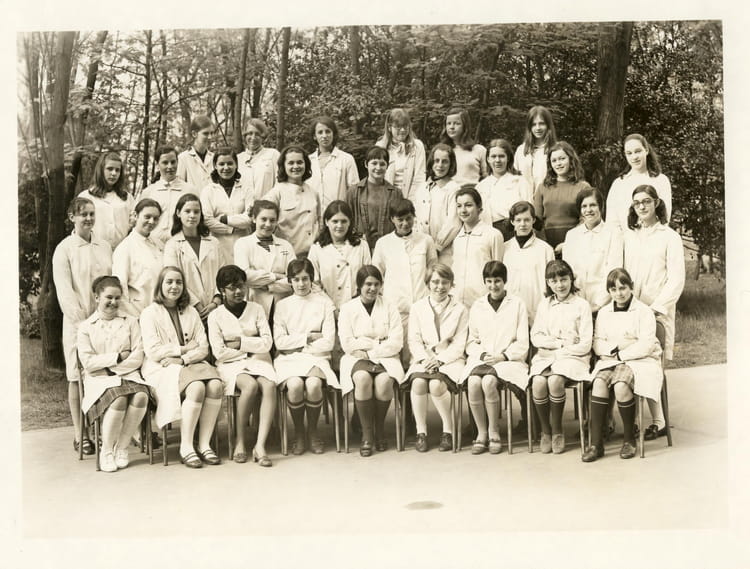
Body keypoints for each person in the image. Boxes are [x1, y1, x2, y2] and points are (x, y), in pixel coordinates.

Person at [140, 266, 223, 468]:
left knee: (215, 385)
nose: (174, 286)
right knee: (197, 387)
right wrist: (184, 349)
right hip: (162, 367)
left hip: (188, 363)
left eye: (179, 282)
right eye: (169, 282)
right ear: (160, 285)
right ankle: (186, 447)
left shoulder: (191, 311)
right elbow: (154, 351)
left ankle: (204, 444)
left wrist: (183, 359)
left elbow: (203, 347)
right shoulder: (149, 313)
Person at [623, 184, 685, 440]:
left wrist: (656, 308)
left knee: (652, 364)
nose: (642, 206)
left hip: (657, 310)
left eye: (646, 201)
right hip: (631, 309)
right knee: (630, 362)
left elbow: (676, 279)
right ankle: (634, 421)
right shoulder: (630, 236)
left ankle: (658, 421)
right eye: (637, 202)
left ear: (656, 203)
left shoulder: (669, 236)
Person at [583, 268, 664, 462]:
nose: (618, 293)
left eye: (622, 288)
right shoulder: (604, 313)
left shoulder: (644, 311)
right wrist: (617, 348)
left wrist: (623, 353)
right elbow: (597, 342)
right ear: (609, 291)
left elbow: (646, 344)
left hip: (639, 361)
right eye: (613, 289)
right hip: (611, 359)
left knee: (620, 385)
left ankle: (629, 440)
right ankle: (596, 444)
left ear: (631, 287)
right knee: (599, 383)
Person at [52, 197, 113, 455]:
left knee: (104, 373)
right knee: (77, 376)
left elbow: (110, 283)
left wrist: (105, 317)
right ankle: (81, 434)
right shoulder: (64, 249)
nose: (88, 218)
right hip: (77, 323)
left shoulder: (104, 246)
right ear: (72, 217)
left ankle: (105, 431)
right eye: (83, 214)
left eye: (91, 214)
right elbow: (65, 291)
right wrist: (83, 323)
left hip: (105, 321)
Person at [77, 276, 151, 472]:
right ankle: (107, 450)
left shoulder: (131, 321)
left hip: (129, 374)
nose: (113, 302)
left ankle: (122, 447)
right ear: (97, 297)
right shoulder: (86, 327)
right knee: (118, 399)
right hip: (99, 380)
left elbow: (138, 355)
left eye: (117, 298)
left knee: (142, 396)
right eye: (109, 297)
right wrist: (117, 357)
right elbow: (88, 363)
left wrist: (110, 367)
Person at [208, 265, 278, 466]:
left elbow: (267, 343)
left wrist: (239, 343)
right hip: (230, 365)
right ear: (222, 290)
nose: (238, 291)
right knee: (250, 386)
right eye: (232, 288)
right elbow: (220, 352)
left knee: (269, 385)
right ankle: (240, 440)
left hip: (259, 360)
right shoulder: (215, 316)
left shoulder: (256, 309)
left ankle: (260, 446)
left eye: (241, 286)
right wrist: (251, 345)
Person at [461, 261, 529, 454]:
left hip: (508, 360)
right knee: (473, 382)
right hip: (482, 359)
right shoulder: (478, 306)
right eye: (489, 281)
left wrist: (503, 356)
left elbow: (523, 341)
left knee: (489, 382)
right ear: (484, 282)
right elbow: (471, 341)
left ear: (505, 281)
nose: (493, 286)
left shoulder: (517, 304)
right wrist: (482, 354)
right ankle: (481, 433)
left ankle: (493, 431)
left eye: (497, 281)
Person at [273, 259, 340, 455]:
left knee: (314, 384)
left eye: (305, 279)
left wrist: (295, 345)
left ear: (312, 279)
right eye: (296, 279)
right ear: (289, 281)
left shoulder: (324, 303)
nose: (301, 284)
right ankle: (299, 433)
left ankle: (312, 431)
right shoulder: (282, 306)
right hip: (288, 360)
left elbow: (328, 342)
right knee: (294, 385)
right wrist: (309, 337)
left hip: (317, 358)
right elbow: (279, 342)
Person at [338, 266, 404, 456]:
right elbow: (347, 342)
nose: (372, 288)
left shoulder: (389, 306)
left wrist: (369, 348)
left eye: (376, 284)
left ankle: (379, 429)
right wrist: (378, 342)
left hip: (385, 357)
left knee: (384, 382)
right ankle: (367, 435)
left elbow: (396, 342)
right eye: (368, 284)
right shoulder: (348, 308)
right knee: (362, 379)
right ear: (359, 285)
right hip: (356, 358)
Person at [529, 260, 593, 455]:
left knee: (555, 380)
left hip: (574, 357)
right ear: (548, 283)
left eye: (564, 279)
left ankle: (557, 430)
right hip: (548, 355)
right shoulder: (545, 305)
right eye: (554, 281)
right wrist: (560, 343)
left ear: (571, 279)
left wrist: (559, 350)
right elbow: (536, 336)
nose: (560, 285)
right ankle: (545, 431)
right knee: (538, 382)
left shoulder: (582, 305)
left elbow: (585, 344)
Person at [405, 263, 469, 453]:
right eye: (435, 282)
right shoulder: (417, 308)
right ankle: (421, 432)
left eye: (445, 282)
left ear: (451, 284)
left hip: (451, 360)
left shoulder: (460, 309)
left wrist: (440, 360)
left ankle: (448, 430)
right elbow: (414, 340)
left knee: (436, 385)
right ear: (428, 283)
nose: (440, 286)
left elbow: (459, 343)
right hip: (423, 359)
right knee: (418, 383)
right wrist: (425, 359)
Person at [372, 198, 437, 368]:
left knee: (419, 352)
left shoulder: (426, 240)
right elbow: (376, 274)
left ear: (414, 217)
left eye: (409, 218)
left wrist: (426, 287)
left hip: (420, 304)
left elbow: (433, 267)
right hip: (395, 307)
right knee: (395, 353)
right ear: (392, 219)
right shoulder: (383, 243)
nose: (405, 223)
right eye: (400, 219)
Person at [562, 188, 623, 314]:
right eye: (584, 206)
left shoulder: (613, 233)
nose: (588, 210)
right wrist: (575, 301)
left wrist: (598, 304)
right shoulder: (572, 235)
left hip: (605, 303)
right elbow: (568, 272)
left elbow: (614, 270)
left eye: (593, 205)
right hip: (576, 302)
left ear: (601, 207)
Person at [163, 193, 223, 322]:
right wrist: (197, 305)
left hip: (216, 308)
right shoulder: (172, 245)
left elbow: (223, 275)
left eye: (196, 212)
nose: (192, 215)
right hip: (188, 308)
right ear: (178, 213)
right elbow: (174, 279)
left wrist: (216, 302)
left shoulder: (214, 243)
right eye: (187, 211)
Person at [233, 200, 294, 319]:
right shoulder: (242, 244)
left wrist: (269, 286)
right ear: (254, 218)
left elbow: (294, 280)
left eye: (272, 220)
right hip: (254, 302)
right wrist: (275, 276)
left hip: (282, 303)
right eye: (263, 219)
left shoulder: (285, 245)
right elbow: (244, 276)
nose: (268, 224)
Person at [309, 200, 372, 311]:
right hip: (326, 308)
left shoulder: (362, 245)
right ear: (326, 222)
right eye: (335, 221)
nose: (339, 225)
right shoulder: (317, 248)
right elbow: (314, 284)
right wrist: (331, 309)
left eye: (344, 221)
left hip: (357, 307)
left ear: (350, 222)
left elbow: (368, 278)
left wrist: (357, 303)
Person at [606, 134, 672, 234]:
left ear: (646, 150)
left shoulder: (661, 180)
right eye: (629, 153)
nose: (634, 157)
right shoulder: (619, 184)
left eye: (638, 151)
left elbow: (664, 217)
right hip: (624, 240)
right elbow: (612, 222)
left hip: (653, 239)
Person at [263, 144, 320, 258]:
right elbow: (264, 223)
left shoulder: (313, 192)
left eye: (300, 162)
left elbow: (319, 222)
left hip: (312, 255)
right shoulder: (276, 192)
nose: (296, 166)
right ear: (283, 166)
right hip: (287, 256)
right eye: (291, 163)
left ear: (306, 164)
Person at [452, 187, 504, 309]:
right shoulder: (457, 239)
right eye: (459, 206)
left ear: (479, 208)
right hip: (459, 302)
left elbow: (499, 270)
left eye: (468, 205)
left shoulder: (493, 235)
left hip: (483, 302)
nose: (463, 210)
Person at [534, 141, 591, 253]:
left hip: (575, 240)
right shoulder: (542, 187)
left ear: (571, 159)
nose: (558, 163)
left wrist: (568, 243)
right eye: (554, 160)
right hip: (546, 242)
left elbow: (586, 219)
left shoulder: (583, 187)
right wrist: (544, 245)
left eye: (562, 159)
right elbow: (536, 221)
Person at [502, 201, 554, 325]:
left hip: (537, 310)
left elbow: (551, 283)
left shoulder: (545, 249)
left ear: (533, 220)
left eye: (527, 220)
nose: (523, 224)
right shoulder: (504, 248)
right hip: (510, 310)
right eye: (518, 220)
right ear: (512, 221)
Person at [200, 146, 253, 265]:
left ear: (236, 165)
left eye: (230, 163)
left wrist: (224, 219)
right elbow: (207, 220)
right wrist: (231, 229)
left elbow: (249, 219)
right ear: (215, 166)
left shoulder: (247, 188)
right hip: (218, 244)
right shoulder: (208, 191)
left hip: (243, 243)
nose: (226, 168)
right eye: (221, 164)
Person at [113, 198, 164, 317]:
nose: (151, 221)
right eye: (147, 217)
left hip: (160, 310)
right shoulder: (125, 247)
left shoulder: (159, 244)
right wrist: (133, 317)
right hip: (137, 311)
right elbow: (120, 285)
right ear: (136, 216)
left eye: (155, 218)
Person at [413, 143, 462, 264]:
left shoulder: (453, 189)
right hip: (421, 249)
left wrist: (437, 247)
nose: (440, 165)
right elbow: (415, 218)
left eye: (445, 162)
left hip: (444, 250)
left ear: (451, 164)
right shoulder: (422, 188)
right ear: (431, 162)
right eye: (437, 161)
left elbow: (453, 222)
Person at [138, 146, 196, 247]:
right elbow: (140, 222)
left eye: (173, 162)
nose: (170, 166)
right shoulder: (149, 192)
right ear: (157, 165)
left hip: (182, 244)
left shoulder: (190, 190)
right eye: (165, 163)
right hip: (153, 245)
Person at [476, 139, 533, 240]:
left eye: (501, 156)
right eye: (493, 156)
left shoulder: (519, 181)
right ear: (488, 159)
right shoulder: (481, 187)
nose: (497, 160)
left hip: (515, 232)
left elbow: (530, 210)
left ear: (508, 158)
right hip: (490, 233)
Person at [345, 145, 400, 250]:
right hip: (360, 246)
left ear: (387, 166)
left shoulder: (396, 193)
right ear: (366, 164)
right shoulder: (353, 192)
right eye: (374, 163)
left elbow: (399, 222)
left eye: (382, 164)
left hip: (387, 247)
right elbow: (347, 220)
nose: (378, 168)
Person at [78, 151, 134, 249]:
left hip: (121, 250)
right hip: (93, 249)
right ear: (101, 170)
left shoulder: (127, 197)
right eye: (110, 169)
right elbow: (80, 227)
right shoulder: (86, 196)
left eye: (117, 170)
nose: (114, 173)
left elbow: (133, 224)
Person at [375, 108, 426, 201]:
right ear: (389, 127)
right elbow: (376, 177)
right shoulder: (381, 146)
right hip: (385, 198)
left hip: (411, 198)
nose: (402, 130)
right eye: (398, 127)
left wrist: (409, 202)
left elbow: (419, 178)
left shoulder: (417, 146)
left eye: (405, 126)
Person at [308, 116, 359, 210]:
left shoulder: (346, 159)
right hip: (313, 214)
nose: (324, 136)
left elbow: (354, 192)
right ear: (314, 136)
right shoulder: (308, 161)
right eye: (320, 132)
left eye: (328, 131)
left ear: (333, 134)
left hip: (338, 215)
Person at [513, 105, 558, 193]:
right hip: (525, 198)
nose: (538, 128)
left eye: (541, 123)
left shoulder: (556, 149)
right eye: (534, 124)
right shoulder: (521, 150)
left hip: (548, 197)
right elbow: (515, 179)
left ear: (548, 125)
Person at [440, 107, 487, 185]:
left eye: (456, 123)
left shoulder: (479, 150)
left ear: (465, 126)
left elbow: (488, 177)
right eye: (449, 123)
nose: (452, 127)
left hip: (471, 190)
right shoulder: (441, 151)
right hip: (447, 190)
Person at [237, 118, 280, 198]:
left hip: (267, 204)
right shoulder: (238, 159)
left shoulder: (273, 155)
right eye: (250, 133)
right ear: (245, 136)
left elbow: (279, 184)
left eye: (257, 134)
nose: (253, 137)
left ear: (263, 137)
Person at [177, 114, 215, 189]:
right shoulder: (183, 158)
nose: (210, 137)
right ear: (194, 134)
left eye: (212, 133)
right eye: (205, 133)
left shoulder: (214, 158)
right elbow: (179, 186)